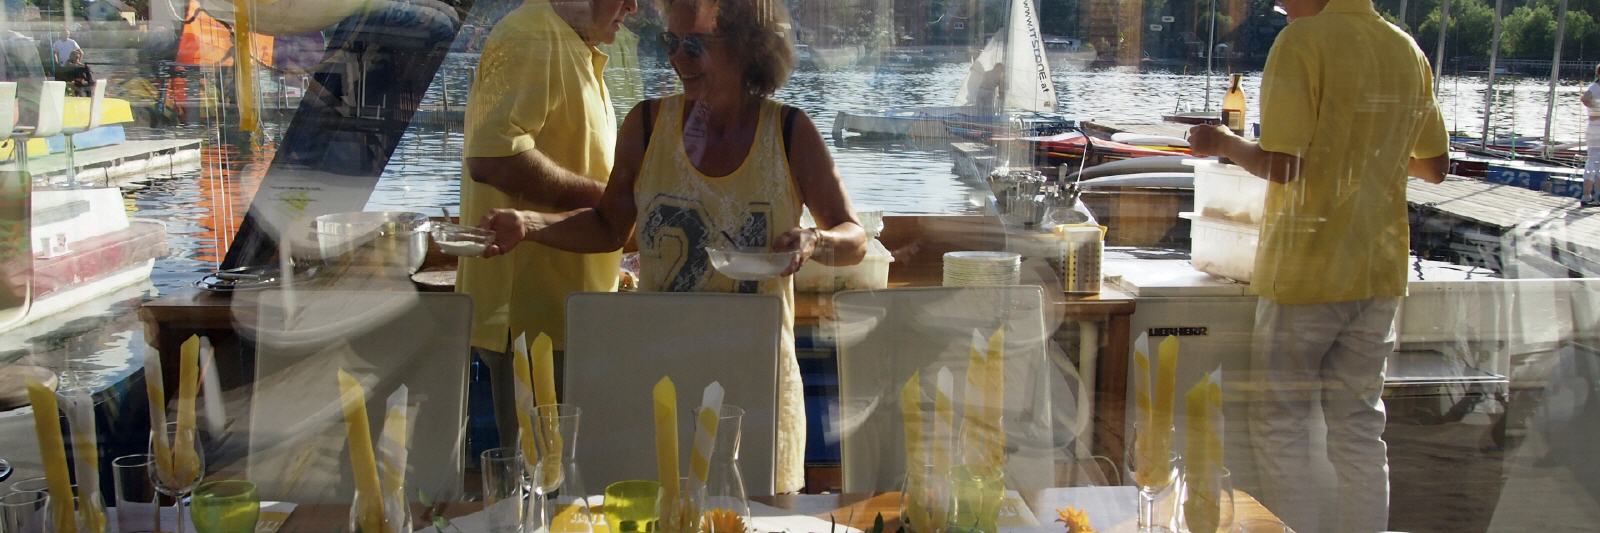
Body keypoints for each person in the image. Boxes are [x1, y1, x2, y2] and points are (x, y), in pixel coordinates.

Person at [481, 0, 867, 493]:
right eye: (671, 42)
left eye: (695, 44)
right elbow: (608, 227)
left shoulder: (791, 133)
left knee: (750, 516)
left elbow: (854, 239)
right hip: (658, 371)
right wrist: (530, 224)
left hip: (758, 381)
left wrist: (815, 239)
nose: (677, 59)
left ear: (748, 47)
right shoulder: (645, 126)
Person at [1185, 0, 1448, 530]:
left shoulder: (1302, 42)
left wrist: (1222, 142)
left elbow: (1282, 166)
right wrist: (1366, 149)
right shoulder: (1406, 49)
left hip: (1306, 268)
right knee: (1359, 430)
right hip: (1378, 269)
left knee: (1281, 426)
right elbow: (1434, 167)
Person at [456, 0, 639, 451]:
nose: (633, 7)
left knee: (566, 476)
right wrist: (606, 205)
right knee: (539, 479)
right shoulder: (528, 36)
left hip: (572, 314)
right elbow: (492, 158)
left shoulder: (575, 43)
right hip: (532, 319)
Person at [1581, 64, 1600, 206]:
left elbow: (1585, 99)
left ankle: (1593, 196)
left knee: (1595, 162)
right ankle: (1588, 196)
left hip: (1593, 128)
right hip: (1597, 129)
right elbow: (1584, 99)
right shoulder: (1595, 87)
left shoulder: (1595, 87)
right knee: (1594, 162)